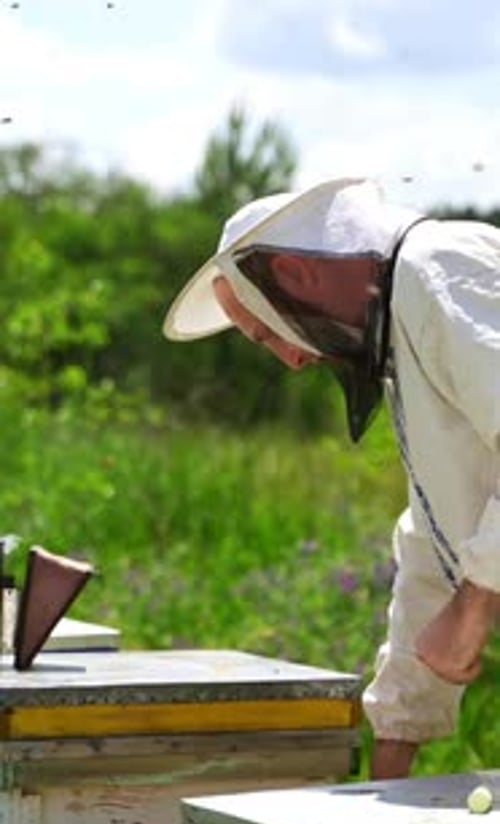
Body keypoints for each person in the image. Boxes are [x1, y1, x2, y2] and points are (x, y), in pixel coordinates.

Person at [163, 177, 500, 780]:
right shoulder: (407, 319)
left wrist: (475, 606)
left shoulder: (440, 270)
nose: (290, 359)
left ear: (296, 274)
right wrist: (397, 737)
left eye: (267, 333)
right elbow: (436, 532)